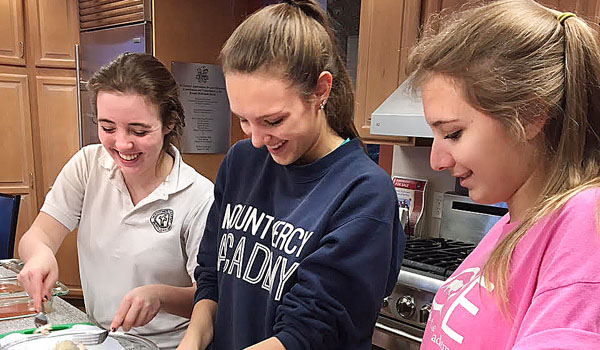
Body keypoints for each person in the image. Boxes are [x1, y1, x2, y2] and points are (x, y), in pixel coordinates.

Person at [177, 1, 405, 349]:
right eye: (243, 118)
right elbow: (212, 278)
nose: (255, 139)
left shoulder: (363, 192)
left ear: (320, 91)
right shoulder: (242, 161)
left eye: (273, 121)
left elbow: (307, 334)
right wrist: (191, 341)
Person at [406, 0, 600, 348]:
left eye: (452, 133)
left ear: (528, 115)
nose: (437, 161)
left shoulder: (587, 224)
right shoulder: (514, 220)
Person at [17, 53, 214, 349]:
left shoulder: (198, 195)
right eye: (108, 128)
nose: (122, 144)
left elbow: (209, 298)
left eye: (139, 131)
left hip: (168, 345)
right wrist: (39, 255)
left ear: (169, 122)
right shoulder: (87, 165)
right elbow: (40, 234)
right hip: (101, 337)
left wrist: (159, 296)